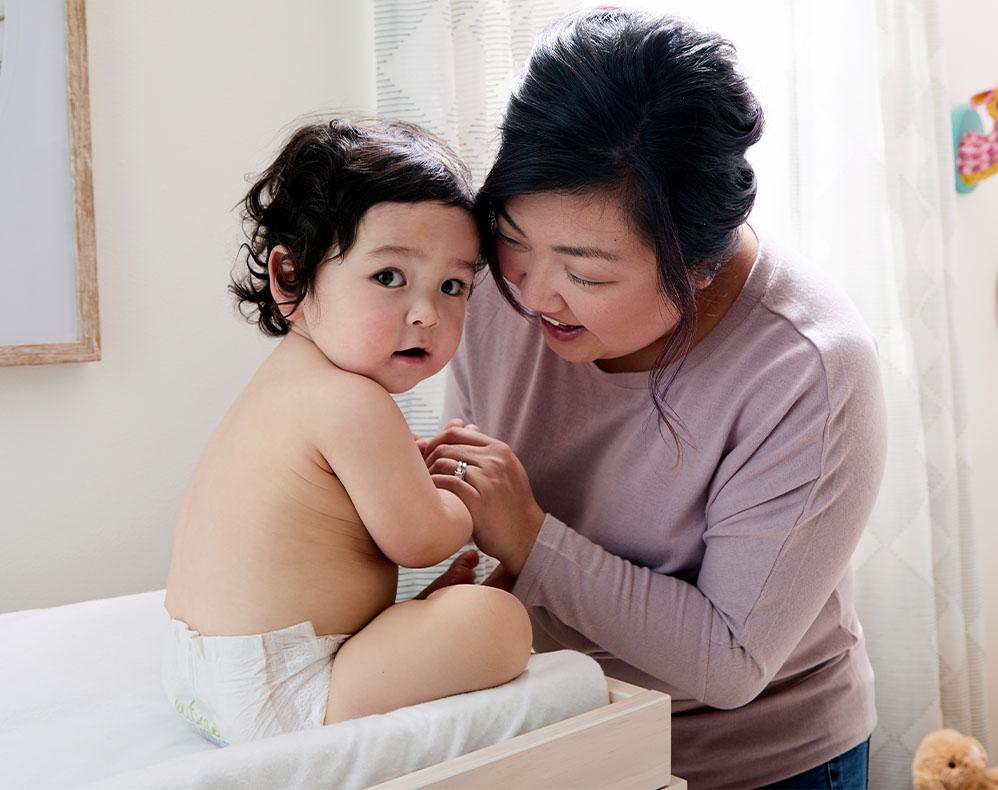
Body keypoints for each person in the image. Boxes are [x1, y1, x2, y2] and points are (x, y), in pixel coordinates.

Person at [420, 8, 887, 788]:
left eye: (589, 274)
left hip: (753, 761)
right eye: (514, 237)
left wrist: (531, 539)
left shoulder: (810, 368)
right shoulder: (492, 284)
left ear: (700, 264)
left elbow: (731, 660)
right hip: (559, 735)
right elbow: (477, 517)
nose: (534, 294)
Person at [162, 119, 531, 747]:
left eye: (453, 286)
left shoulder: (280, 384)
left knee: (428, 620)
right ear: (291, 279)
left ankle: (390, 639)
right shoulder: (352, 401)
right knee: (497, 622)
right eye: (389, 277)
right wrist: (459, 495)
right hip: (281, 693)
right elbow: (419, 541)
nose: (427, 313)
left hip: (195, 673)